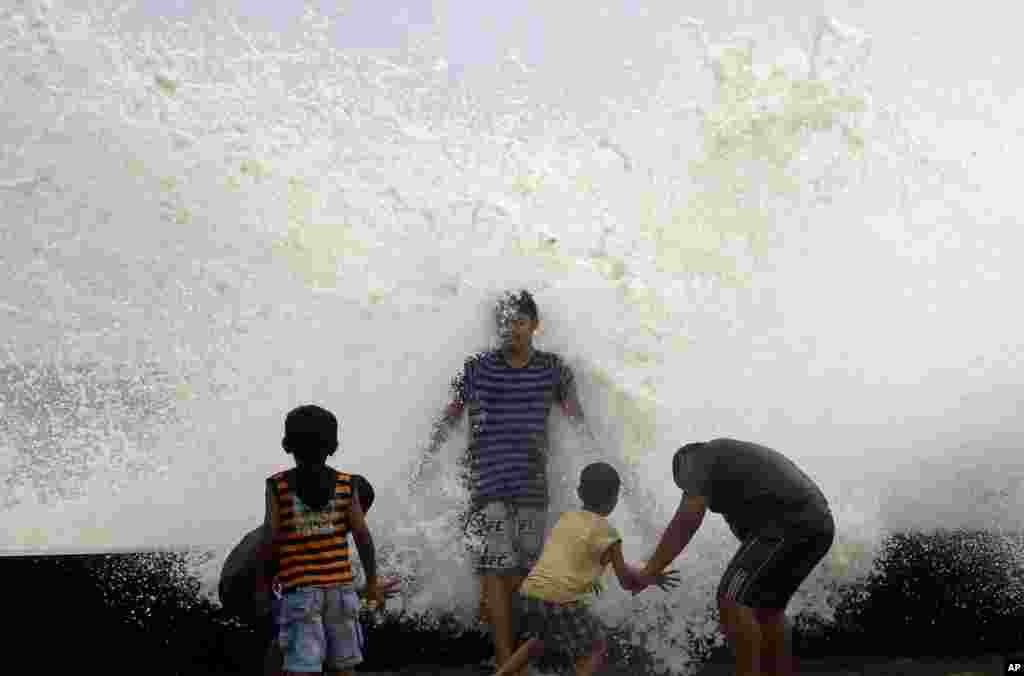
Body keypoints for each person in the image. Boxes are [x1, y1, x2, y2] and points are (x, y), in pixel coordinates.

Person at [410, 289, 649, 674]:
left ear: (535, 326)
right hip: (487, 483)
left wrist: (601, 457)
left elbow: (576, 417)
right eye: (505, 323)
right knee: (495, 569)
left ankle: (523, 657)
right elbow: (451, 414)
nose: (511, 329)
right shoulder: (476, 367)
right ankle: (506, 662)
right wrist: (426, 459)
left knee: (526, 573)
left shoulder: (554, 369)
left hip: (532, 486)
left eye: (519, 322)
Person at [630, 439, 835, 676]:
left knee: (731, 599)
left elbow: (686, 520)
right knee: (768, 609)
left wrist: (651, 569)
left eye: (684, 486)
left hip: (788, 522)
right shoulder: (734, 476)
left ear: (684, 464)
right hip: (819, 524)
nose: (687, 490)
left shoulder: (700, 457)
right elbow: (752, 545)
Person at [493, 462, 679, 676]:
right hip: (561, 599)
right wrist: (650, 578)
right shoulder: (609, 535)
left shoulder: (566, 519)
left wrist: (643, 573)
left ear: (579, 492)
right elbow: (626, 582)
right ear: (615, 500)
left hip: (530, 593)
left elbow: (581, 562)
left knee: (540, 640)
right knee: (596, 647)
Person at [260, 404, 386, 676]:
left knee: (304, 665)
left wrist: (264, 585)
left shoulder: (277, 486)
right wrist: (373, 582)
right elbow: (363, 537)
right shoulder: (346, 484)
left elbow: (271, 539)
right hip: (341, 593)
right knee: (345, 666)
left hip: (300, 594)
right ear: (334, 446)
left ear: (286, 445)